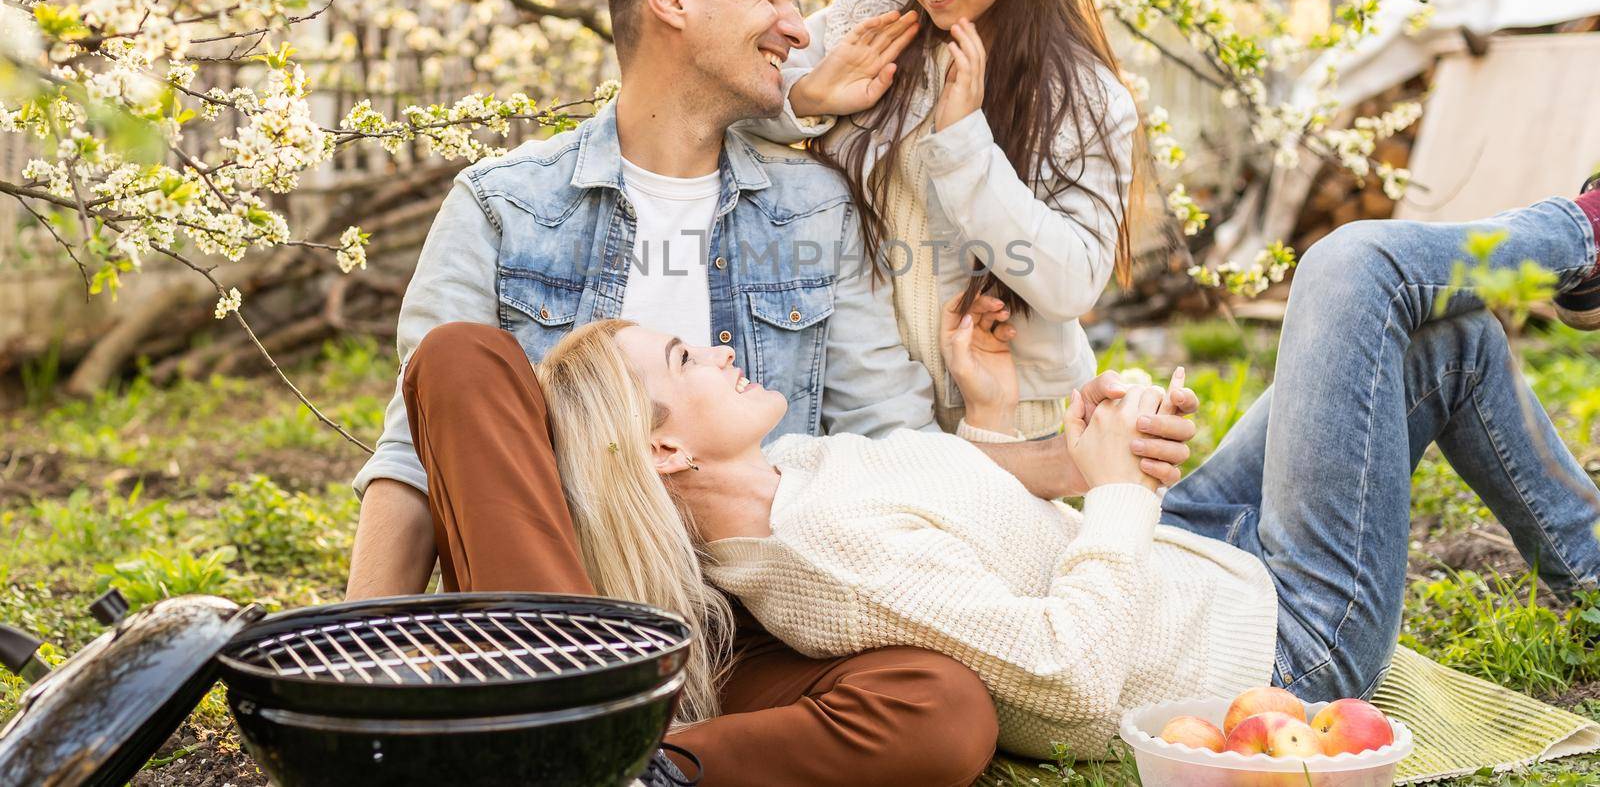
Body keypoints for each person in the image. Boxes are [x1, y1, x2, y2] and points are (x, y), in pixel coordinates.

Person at [345, 0, 1200, 787]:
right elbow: (415, 456)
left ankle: (636, 770)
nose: (799, 29)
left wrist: (1072, 463)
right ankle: (571, 703)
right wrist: (355, 685)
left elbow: (888, 441)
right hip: (566, 604)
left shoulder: (813, 207)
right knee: (455, 360)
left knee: (943, 707)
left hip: (748, 619)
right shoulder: (504, 202)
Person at [531, 187, 1600, 760]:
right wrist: (1118, 493)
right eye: (684, 360)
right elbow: (1070, 676)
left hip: (1196, 564)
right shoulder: (824, 558)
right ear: (664, 446)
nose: (717, 345)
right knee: (1351, 268)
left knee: (1441, 341)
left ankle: (1587, 567)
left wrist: (1046, 423)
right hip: (1285, 641)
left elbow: (966, 518)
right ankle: (1578, 235)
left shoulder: (791, 471)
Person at [741, 0, 1141, 437]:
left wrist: (964, 144)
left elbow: (1071, 284)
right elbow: (737, 104)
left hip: (1015, 413)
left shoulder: (1086, 97)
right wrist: (810, 98)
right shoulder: (870, 24)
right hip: (860, 406)